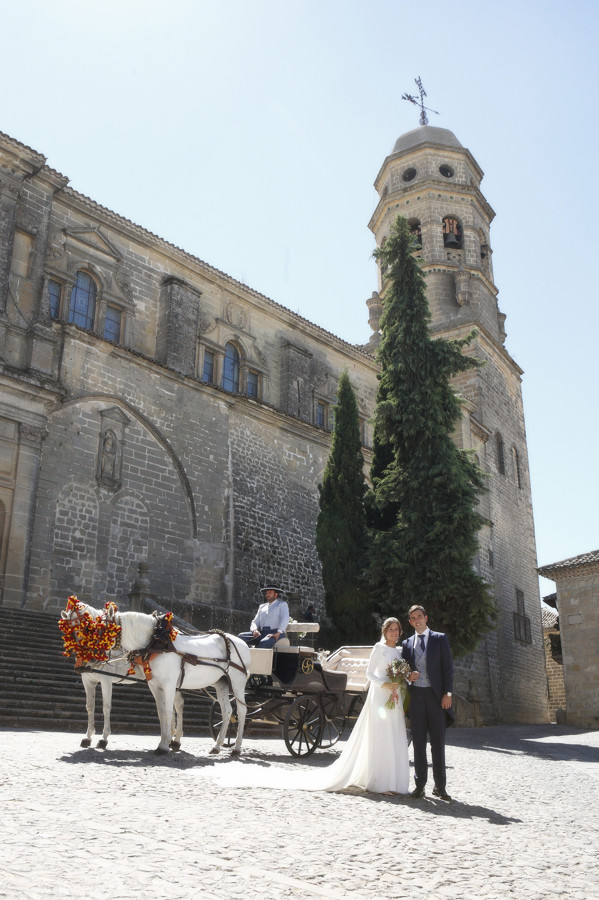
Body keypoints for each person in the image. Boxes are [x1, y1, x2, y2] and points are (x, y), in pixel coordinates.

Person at [210, 616, 410, 795]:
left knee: (392, 734)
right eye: (390, 629)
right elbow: (371, 673)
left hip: (393, 696)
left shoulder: (399, 652)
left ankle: (391, 779)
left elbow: (399, 673)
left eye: (396, 629)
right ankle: (378, 779)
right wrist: (385, 684)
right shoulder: (379, 647)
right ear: (384, 631)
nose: (394, 632)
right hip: (381, 692)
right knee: (380, 735)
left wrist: (404, 679)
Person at [402, 604, 454, 801]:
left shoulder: (440, 639)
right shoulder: (407, 643)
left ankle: (440, 787)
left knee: (438, 744)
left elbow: (448, 668)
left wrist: (447, 693)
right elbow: (404, 670)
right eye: (413, 618)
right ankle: (420, 785)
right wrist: (409, 676)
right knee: (418, 744)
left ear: (426, 618)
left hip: (436, 698)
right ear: (410, 622)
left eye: (419, 616)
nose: (417, 620)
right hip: (416, 698)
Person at [238, 583, 289, 648]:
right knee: (241, 637)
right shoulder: (262, 607)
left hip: (276, 633)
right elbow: (255, 621)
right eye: (266, 593)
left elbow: (285, 618)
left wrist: (278, 632)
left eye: (270, 592)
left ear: (276, 595)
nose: (267, 594)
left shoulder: (281, 605)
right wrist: (254, 630)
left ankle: (256, 657)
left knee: (264, 643)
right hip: (262, 633)